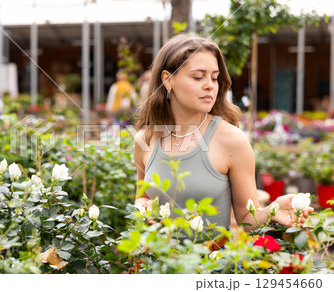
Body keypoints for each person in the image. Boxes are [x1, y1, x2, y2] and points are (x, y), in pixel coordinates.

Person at [133, 34, 313, 232]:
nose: (210, 85)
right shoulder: (145, 140)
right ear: (168, 80)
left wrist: (273, 211)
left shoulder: (232, 140)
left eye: (214, 77)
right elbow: (143, 196)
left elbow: (246, 219)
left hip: (211, 261)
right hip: (154, 260)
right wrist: (143, 206)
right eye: (198, 77)